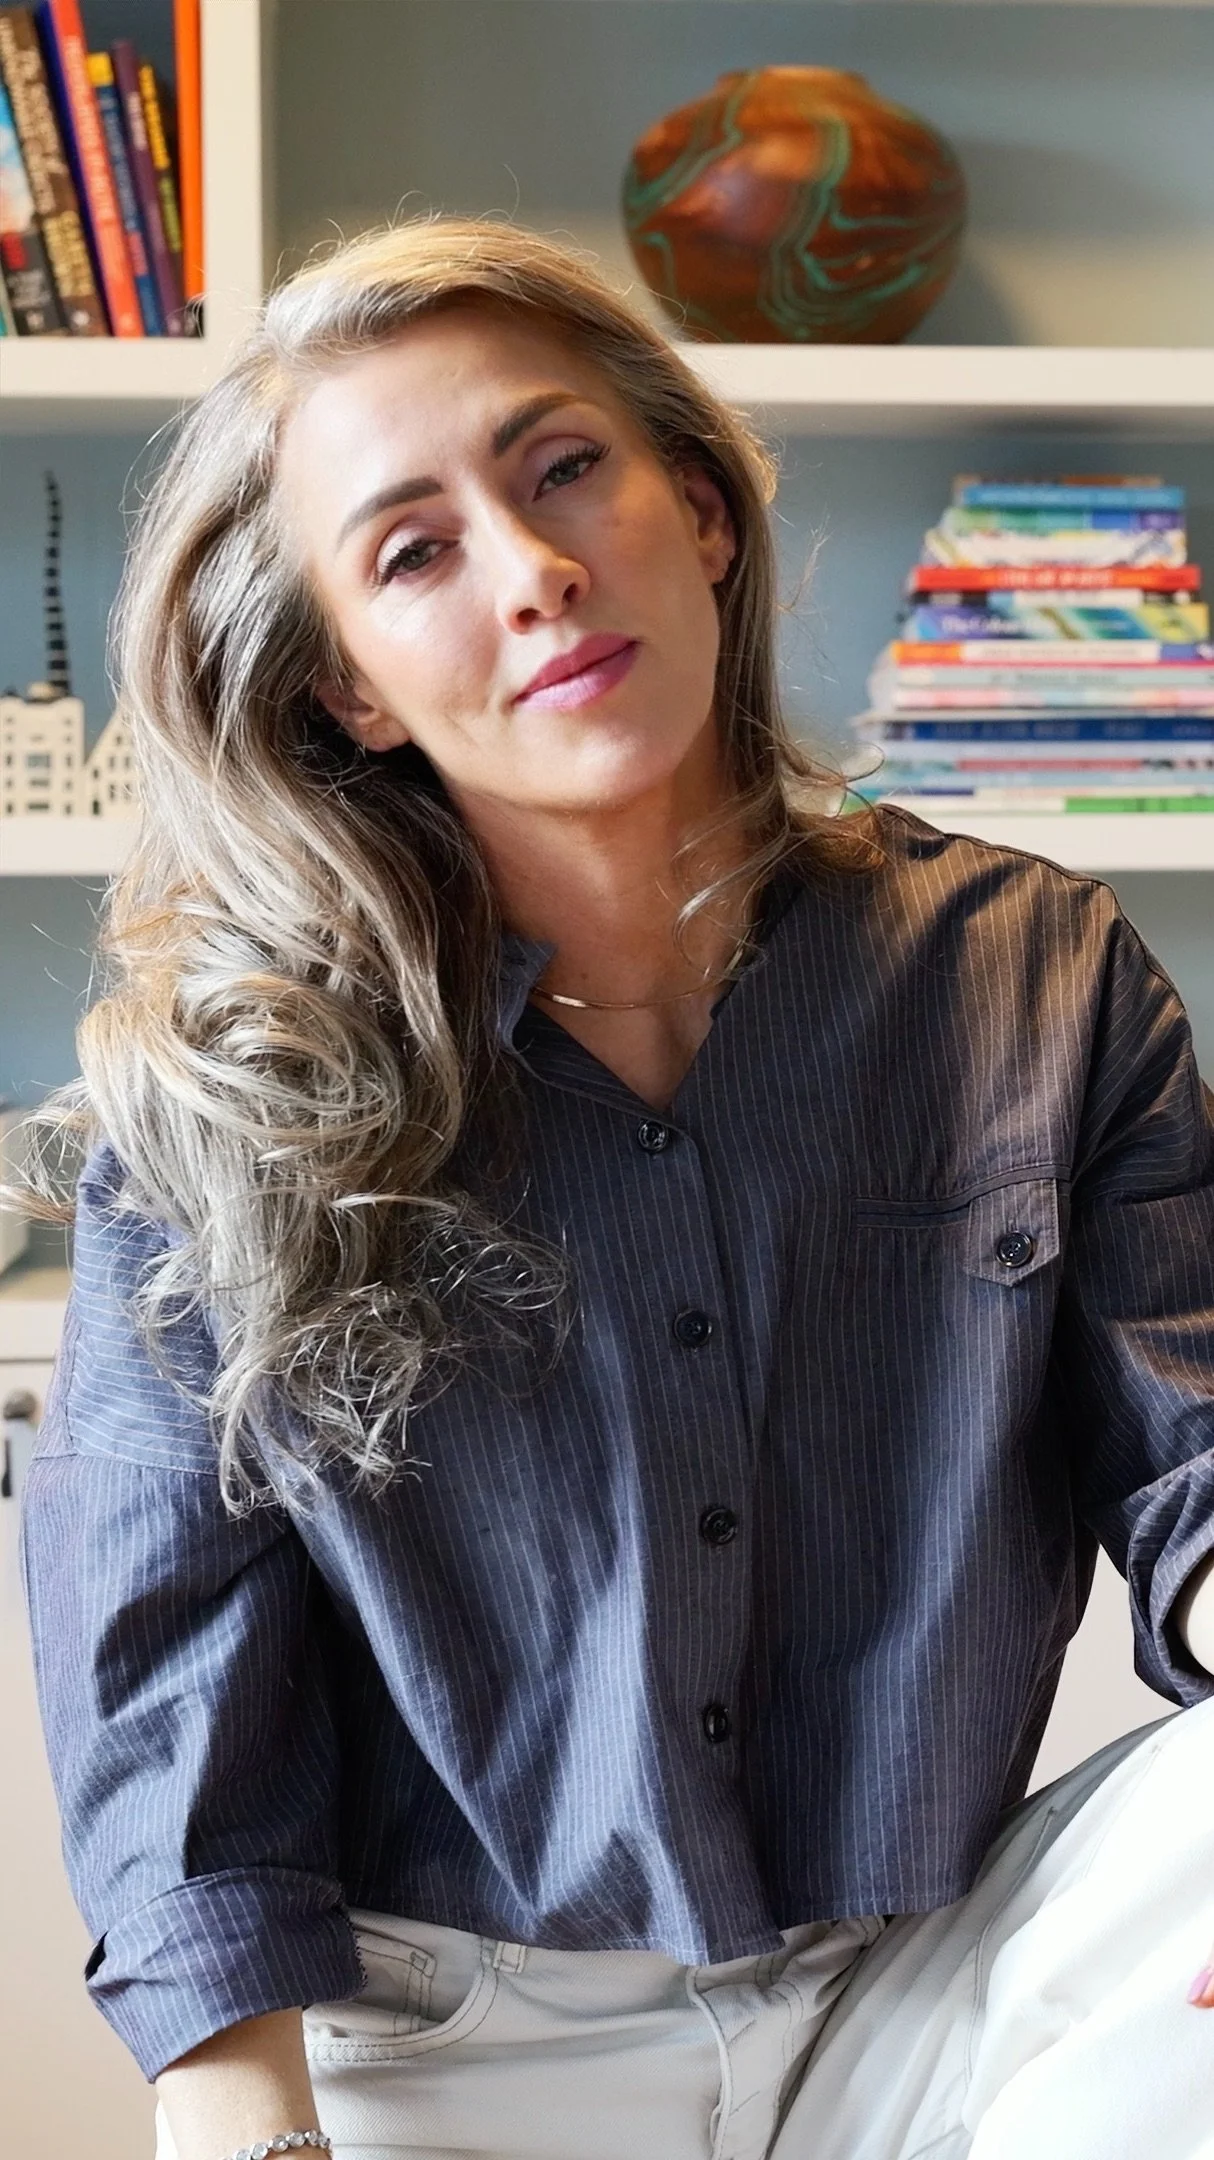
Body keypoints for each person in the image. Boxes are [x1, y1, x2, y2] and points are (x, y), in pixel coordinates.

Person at [12, 214, 1214, 2160]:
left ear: (703, 512)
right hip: (462, 2038)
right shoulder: (224, 1100)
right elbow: (159, 1656)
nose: (537, 569)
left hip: (920, 1979)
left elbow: (1191, 1458)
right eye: (416, 552)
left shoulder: (1035, 976)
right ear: (355, 692)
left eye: (564, 465)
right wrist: (239, 2122)